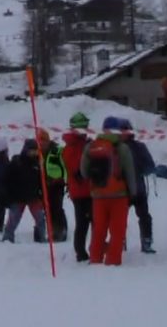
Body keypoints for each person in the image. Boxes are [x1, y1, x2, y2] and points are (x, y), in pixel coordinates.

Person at [81, 116, 137, 266]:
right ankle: (113, 260)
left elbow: (84, 172)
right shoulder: (122, 148)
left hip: (98, 195)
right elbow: (129, 172)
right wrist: (133, 192)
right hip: (119, 195)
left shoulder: (91, 146)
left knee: (99, 229)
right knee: (117, 231)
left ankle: (95, 258)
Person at [119, 119, 157, 254]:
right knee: (122, 217)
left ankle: (146, 241)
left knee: (143, 216)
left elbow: (149, 166)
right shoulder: (117, 148)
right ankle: (121, 241)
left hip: (135, 188)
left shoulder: (137, 147)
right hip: (125, 189)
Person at [0, 139, 46, 243]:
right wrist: (7, 195)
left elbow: (41, 180)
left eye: (35, 150)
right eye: (32, 150)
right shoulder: (16, 162)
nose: (34, 153)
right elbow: (6, 179)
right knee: (13, 220)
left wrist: (42, 194)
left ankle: (41, 238)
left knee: (40, 219)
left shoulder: (38, 163)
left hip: (33, 196)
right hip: (18, 197)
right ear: (26, 150)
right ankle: (7, 238)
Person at [62, 113, 93, 262]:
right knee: (85, 223)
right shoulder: (74, 146)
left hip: (82, 190)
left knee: (86, 222)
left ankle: (87, 250)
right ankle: (81, 252)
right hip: (83, 190)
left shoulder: (76, 145)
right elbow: (77, 169)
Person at [37, 128, 69, 243]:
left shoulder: (56, 151)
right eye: (39, 141)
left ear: (47, 140)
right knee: (47, 209)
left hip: (57, 184)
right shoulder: (38, 153)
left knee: (57, 208)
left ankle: (62, 230)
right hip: (45, 185)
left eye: (43, 140)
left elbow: (65, 166)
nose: (41, 143)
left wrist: (64, 179)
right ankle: (53, 231)